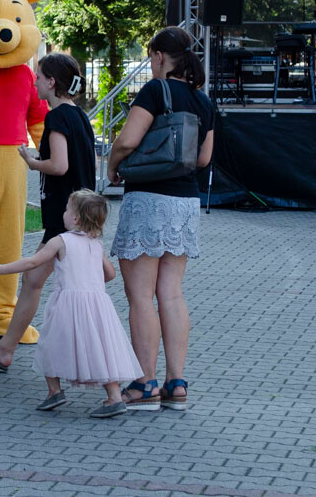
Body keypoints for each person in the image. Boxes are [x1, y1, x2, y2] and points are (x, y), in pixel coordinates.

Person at [106, 26, 214, 410]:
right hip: (185, 203)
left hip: (148, 199)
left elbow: (129, 140)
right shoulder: (204, 101)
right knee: (171, 292)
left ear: (158, 57)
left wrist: (112, 165)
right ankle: (177, 383)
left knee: (139, 297)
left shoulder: (156, 91)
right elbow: (202, 159)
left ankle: (144, 382)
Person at [0, 53, 96, 374]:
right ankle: (6, 348)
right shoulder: (79, 116)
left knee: (44, 282)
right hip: (76, 217)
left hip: (64, 221)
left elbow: (59, 165)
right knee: (35, 280)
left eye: (39, 77)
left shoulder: (56, 118)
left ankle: (11, 349)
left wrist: (31, 162)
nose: (35, 82)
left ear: (52, 82)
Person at [0, 190, 140, 418]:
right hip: (96, 307)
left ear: (75, 219)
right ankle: (114, 395)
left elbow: (33, 262)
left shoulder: (60, 241)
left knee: (50, 345)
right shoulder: (96, 244)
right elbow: (111, 274)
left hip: (68, 305)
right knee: (99, 349)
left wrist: (0, 269)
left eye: (67, 209)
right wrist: (90, 278)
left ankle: (54, 391)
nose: (63, 213)